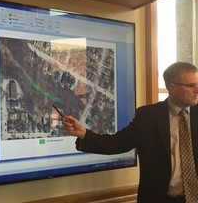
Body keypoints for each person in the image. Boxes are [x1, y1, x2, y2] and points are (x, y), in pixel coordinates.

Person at [62, 62, 198, 203]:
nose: (197, 90)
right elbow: (116, 143)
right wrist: (84, 133)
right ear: (172, 87)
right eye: (191, 85)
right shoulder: (148, 117)